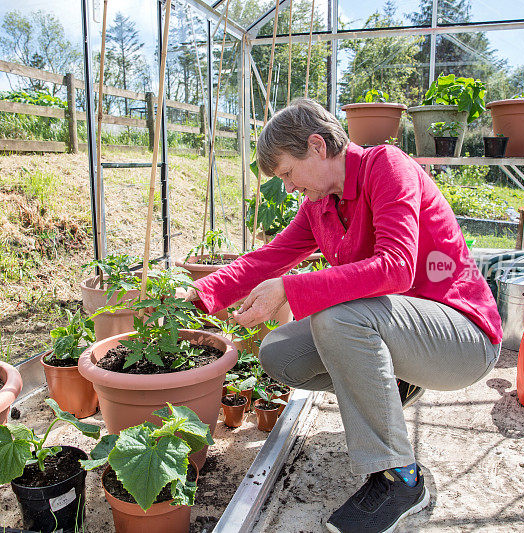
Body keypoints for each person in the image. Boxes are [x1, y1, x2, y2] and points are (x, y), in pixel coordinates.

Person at [183, 98, 502, 533]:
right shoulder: (321, 205)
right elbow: (267, 258)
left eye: (288, 174)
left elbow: (397, 266)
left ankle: (400, 479)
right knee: (280, 354)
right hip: (404, 331)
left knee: (338, 318)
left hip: (461, 335)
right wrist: (197, 295)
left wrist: (291, 288)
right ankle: (395, 386)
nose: (290, 188)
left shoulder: (387, 167)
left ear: (317, 146)